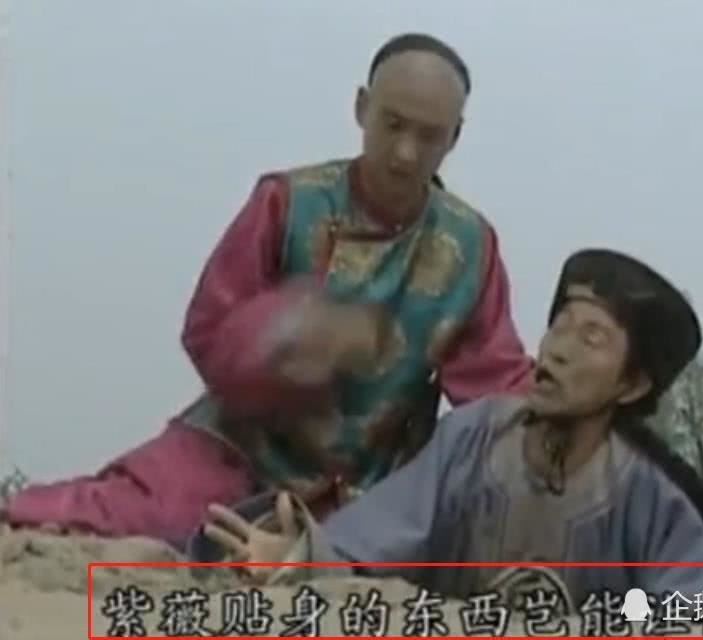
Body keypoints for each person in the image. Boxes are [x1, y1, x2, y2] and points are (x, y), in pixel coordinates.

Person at [2, 33, 533, 548]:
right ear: (361, 107)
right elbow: (207, 328)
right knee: (132, 512)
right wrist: (295, 331)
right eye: (392, 124)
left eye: (429, 136)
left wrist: (563, 411)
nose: (405, 153)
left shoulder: (470, 246)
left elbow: (493, 381)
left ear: (455, 137)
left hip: (373, 482)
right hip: (243, 452)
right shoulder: (288, 201)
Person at [191, 248, 703, 610]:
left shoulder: (657, 502)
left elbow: (694, 615)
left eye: (591, 338)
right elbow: (372, 544)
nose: (558, 349)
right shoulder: (473, 438)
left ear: (631, 385)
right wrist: (302, 557)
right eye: (560, 326)